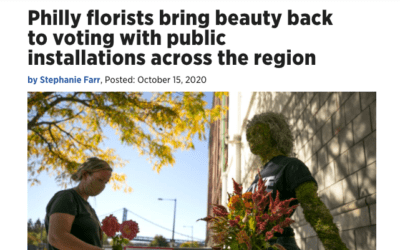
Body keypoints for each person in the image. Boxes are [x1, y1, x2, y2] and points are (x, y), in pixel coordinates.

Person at [245, 112, 348, 250]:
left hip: (278, 243)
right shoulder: (258, 176)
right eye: (249, 135)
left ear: (274, 133)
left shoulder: (291, 166)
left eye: (257, 132)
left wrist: (335, 246)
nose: (251, 138)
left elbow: (314, 209)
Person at [45, 157, 113, 250]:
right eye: (100, 180)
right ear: (85, 174)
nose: (102, 186)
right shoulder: (67, 197)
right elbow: (56, 237)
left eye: (106, 182)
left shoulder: (89, 208)